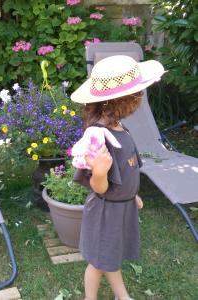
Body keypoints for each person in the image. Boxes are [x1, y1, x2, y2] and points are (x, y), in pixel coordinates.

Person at [71, 55, 165, 300]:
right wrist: (100, 172)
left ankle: (121, 296)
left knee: (111, 256)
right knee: (99, 263)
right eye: (138, 94)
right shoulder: (100, 137)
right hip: (106, 211)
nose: (141, 98)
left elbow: (128, 170)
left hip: (122, 206)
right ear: (127, 101)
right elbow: (99, 187)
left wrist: (133, 194)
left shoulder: (120, 128)